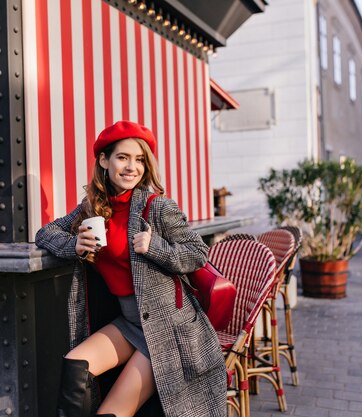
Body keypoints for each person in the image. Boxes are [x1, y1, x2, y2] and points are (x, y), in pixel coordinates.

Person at [35, 121, 228, 417]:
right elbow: (45, 232)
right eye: (122, 157)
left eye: (139, 160)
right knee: (75, 366)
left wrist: (154, 247)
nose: (131, 167)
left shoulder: (157, 206)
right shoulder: (92, 207)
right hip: (129, 323)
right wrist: (73, 244)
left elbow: (198, 253)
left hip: (168, 329)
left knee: (110, 413)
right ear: (104, 160)